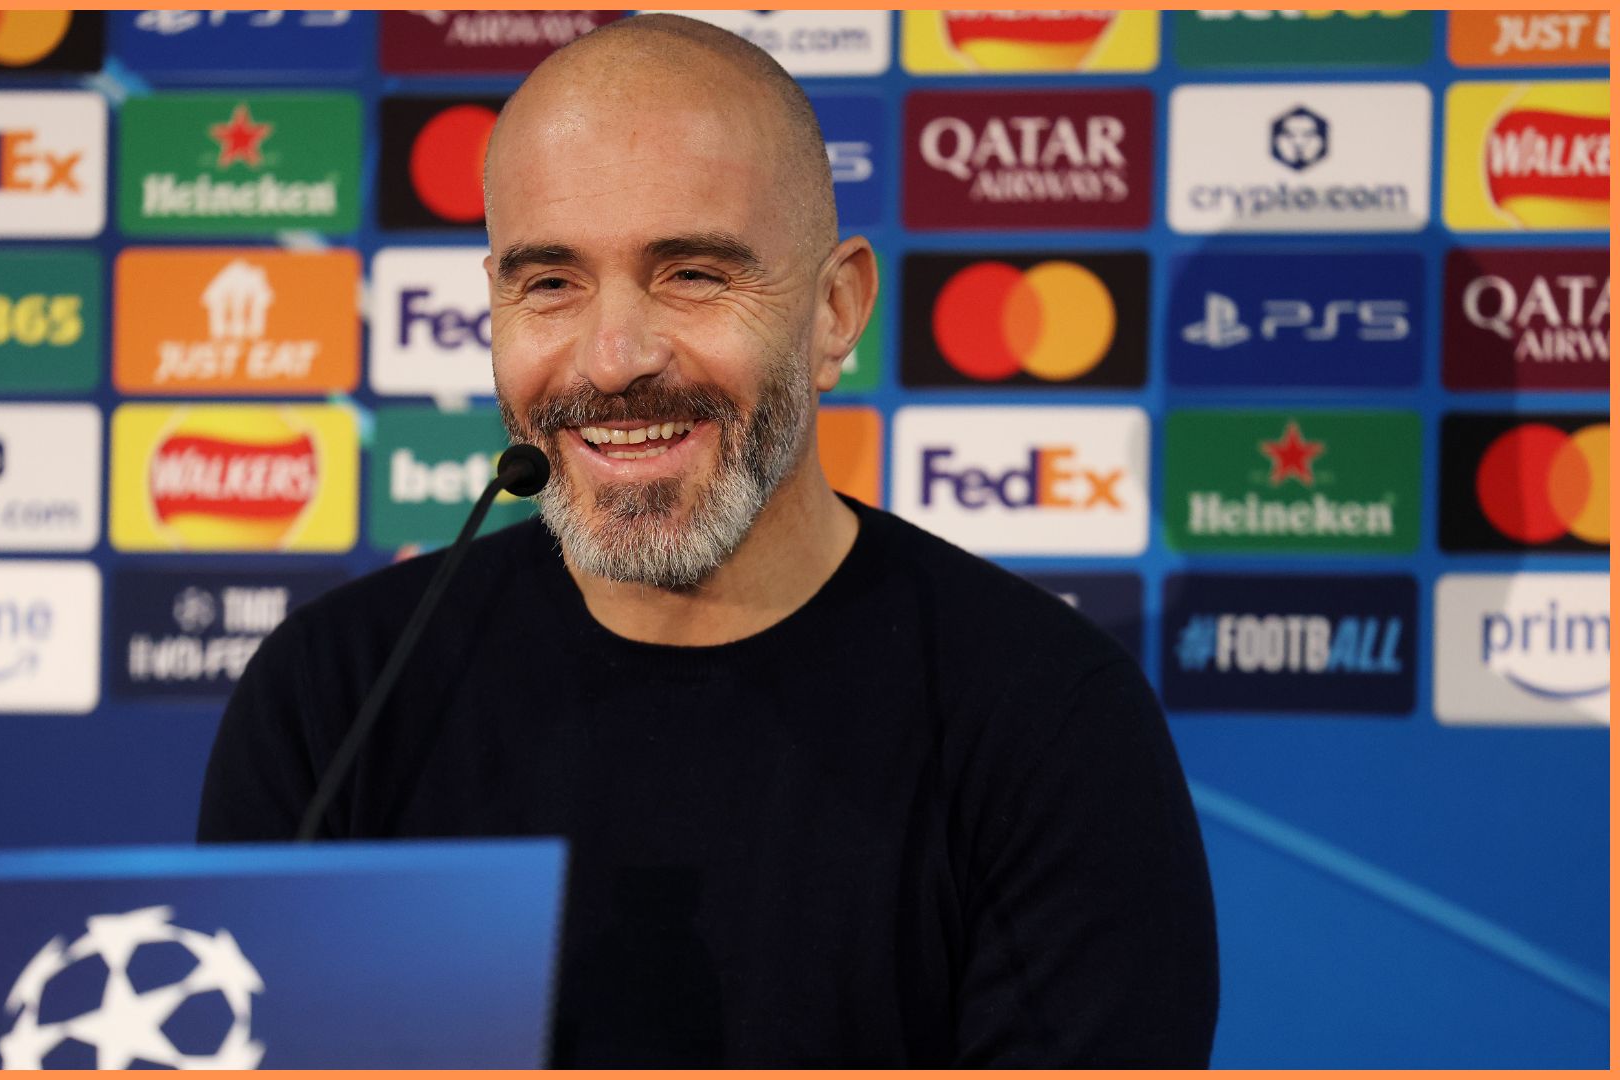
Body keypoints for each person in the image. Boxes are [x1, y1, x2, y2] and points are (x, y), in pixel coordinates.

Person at [199, 14, 1218, 1067]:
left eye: (692, 273)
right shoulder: (338, 696)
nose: (613, 359)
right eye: (550, 283)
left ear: (835, 310)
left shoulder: (1047, 719)